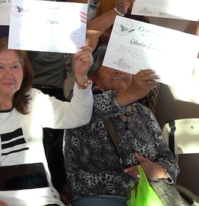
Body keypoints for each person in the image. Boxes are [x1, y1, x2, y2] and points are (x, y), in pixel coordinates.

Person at [0, 39, 94, 206]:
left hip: (41, 198)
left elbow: (78, 116)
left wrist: (81, 77)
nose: (8, 74)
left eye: (15, 66)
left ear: (24, 70)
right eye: (0, 67)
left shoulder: (33, 98)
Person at [64, 44, 182, 206]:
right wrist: (132, 92)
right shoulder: (81, 103)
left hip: (149, 192)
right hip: (99, 195)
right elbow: (90, 109)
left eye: (124, 66)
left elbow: (168, 159)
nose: (118, 70)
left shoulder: (143, 113)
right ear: (92, 75)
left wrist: (156, 170)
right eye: (111, 64)